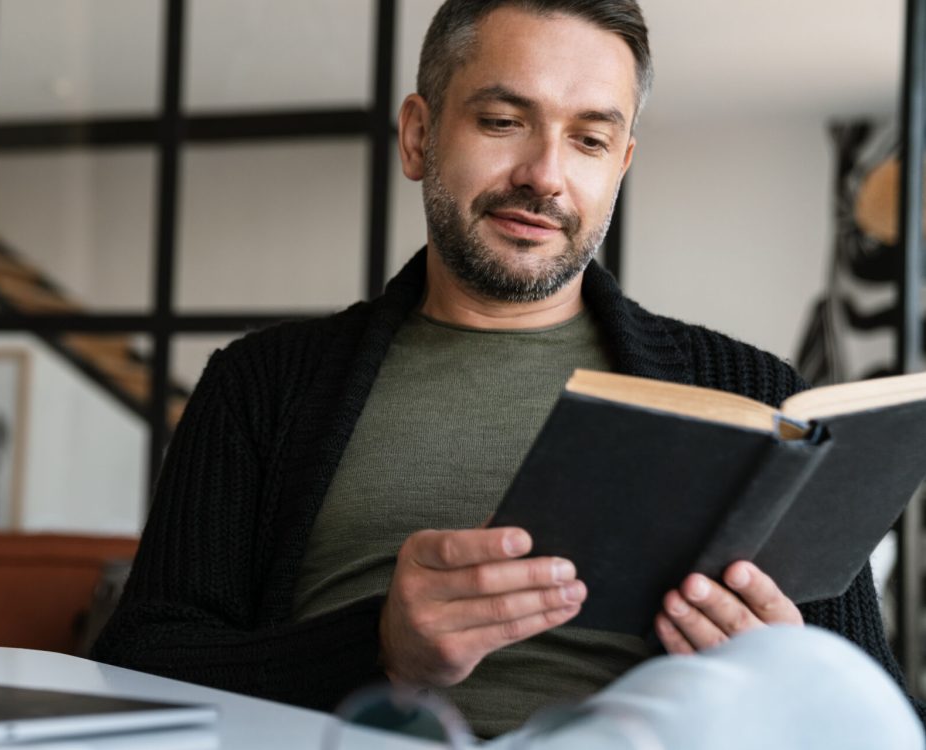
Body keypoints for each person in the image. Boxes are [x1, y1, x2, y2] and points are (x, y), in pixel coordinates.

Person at [92, 0, 926, 743]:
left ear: (620, 166)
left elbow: (874, 709)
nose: (545, 176)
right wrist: (379, 646)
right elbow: (135, 668)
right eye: (503, 122)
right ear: (420, 134)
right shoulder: (262, 386)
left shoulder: (753, 392)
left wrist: (781, 661)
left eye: (589, 139)